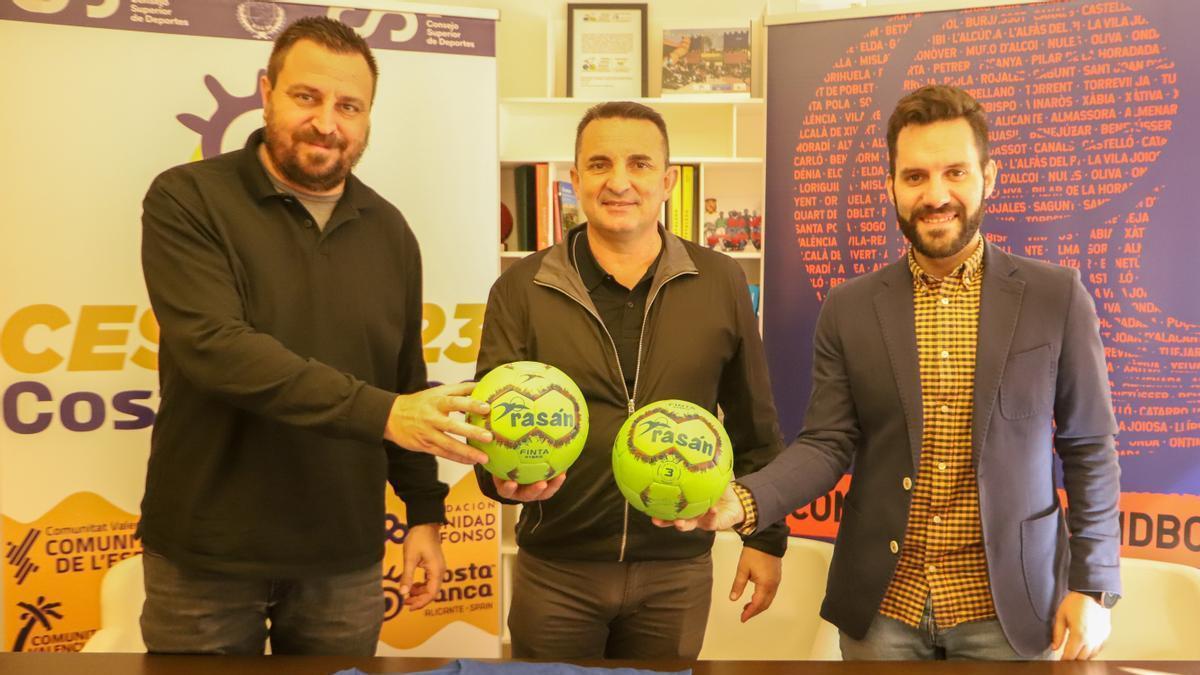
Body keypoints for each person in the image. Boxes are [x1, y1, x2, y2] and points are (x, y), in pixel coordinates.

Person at [659, 84, 1122, 661]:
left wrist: (1094, 584)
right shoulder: (849, 308)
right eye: (915, 177)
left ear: (989, 177)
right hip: (883, 613)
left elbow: (1089, 446)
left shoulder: (1057, 297)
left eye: (955, 172)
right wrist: (743, 502)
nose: (936, 195)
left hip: (1012, 612)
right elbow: (827, 444)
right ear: (892, 187)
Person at [137, 17, 491, 656]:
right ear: (266, 91)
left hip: (342, 557)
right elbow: (216, 347)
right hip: (205, 553)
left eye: (349, 106)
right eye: (308, 97)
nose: (328, 122)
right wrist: (384, 413)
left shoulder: (390, 231)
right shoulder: (187, 199)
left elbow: (403, 380)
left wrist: (425, 513)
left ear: (367, 117)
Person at [474, 101, 788, 659]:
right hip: (556, 572)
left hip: (676, 572)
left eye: (640, 164)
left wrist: (765, 537)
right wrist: (497, 483)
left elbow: (754, 422)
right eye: (599, 165)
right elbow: (488, 422)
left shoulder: (720, 280)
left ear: (668, 181)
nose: (619, 181)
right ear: (575, 179)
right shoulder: (521, 287)